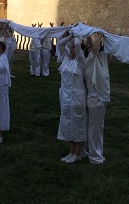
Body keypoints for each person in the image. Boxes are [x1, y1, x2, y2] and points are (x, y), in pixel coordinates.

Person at [57, 33, 86, 163]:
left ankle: (77, 152)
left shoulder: (81, 62)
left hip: (77, 96)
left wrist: (78, 35)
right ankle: (71, 151)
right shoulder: (67, 60)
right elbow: (60, 44)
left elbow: (79, 48)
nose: (71, 48)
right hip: (66, 96)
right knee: (68, 123)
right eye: (71, 47)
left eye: (73, 47)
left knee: (78, 123)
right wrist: (71, 35)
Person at [83, 32, 110, 164]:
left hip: (101, 98)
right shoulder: (89, 61)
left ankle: (96, 152)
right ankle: (94, 156)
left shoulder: (102, 60)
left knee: (98, 128)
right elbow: (93, 49)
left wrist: (90, 36)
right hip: (95, 99)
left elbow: (95, 48)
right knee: (94, 128)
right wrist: (100, 35)